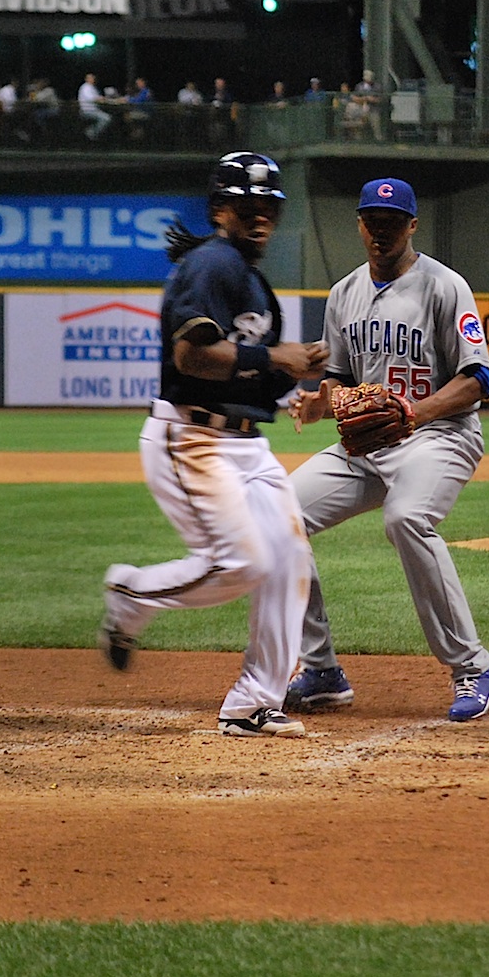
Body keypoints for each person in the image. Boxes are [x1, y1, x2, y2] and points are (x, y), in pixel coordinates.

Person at [99, 153, 329, 738]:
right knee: (243, 563)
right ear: (221, 210)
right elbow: (192, 356)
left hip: (247, 445)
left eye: (270, 206)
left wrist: (298, 380)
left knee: (290, 559)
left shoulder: (254, 283)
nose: (261, 216)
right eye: (249, 205)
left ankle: (254, 701)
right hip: (192, 436)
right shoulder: (211, 263)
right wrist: (276, 357)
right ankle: (131, 594)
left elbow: (252, 378)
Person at [284, 177, 489, 722]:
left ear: (412, 225)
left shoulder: (445, 286)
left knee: (406, 518)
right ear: (359, 225)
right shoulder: (343, 294)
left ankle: (473, 666)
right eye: (372, 223)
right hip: (367, 447)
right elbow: (341, 384)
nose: (380, 233)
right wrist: (319, 405)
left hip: (440, 436)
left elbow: (477, 380)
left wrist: (415, 413)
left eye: (392, 223)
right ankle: (321, 672)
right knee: (275, 512)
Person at [77, 72, 111, 140]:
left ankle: (96, 134)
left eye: (93, 78)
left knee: (107, 115)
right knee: (107, 118)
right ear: (86, 79)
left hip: (94, 109)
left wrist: (103, 99)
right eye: (90, 78)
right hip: (88, 110)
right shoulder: (85, 87)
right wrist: (102, 99)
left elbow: (97, 98)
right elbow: (92, 98)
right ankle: (91, 132)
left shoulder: (92, 87)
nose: (92, 79)